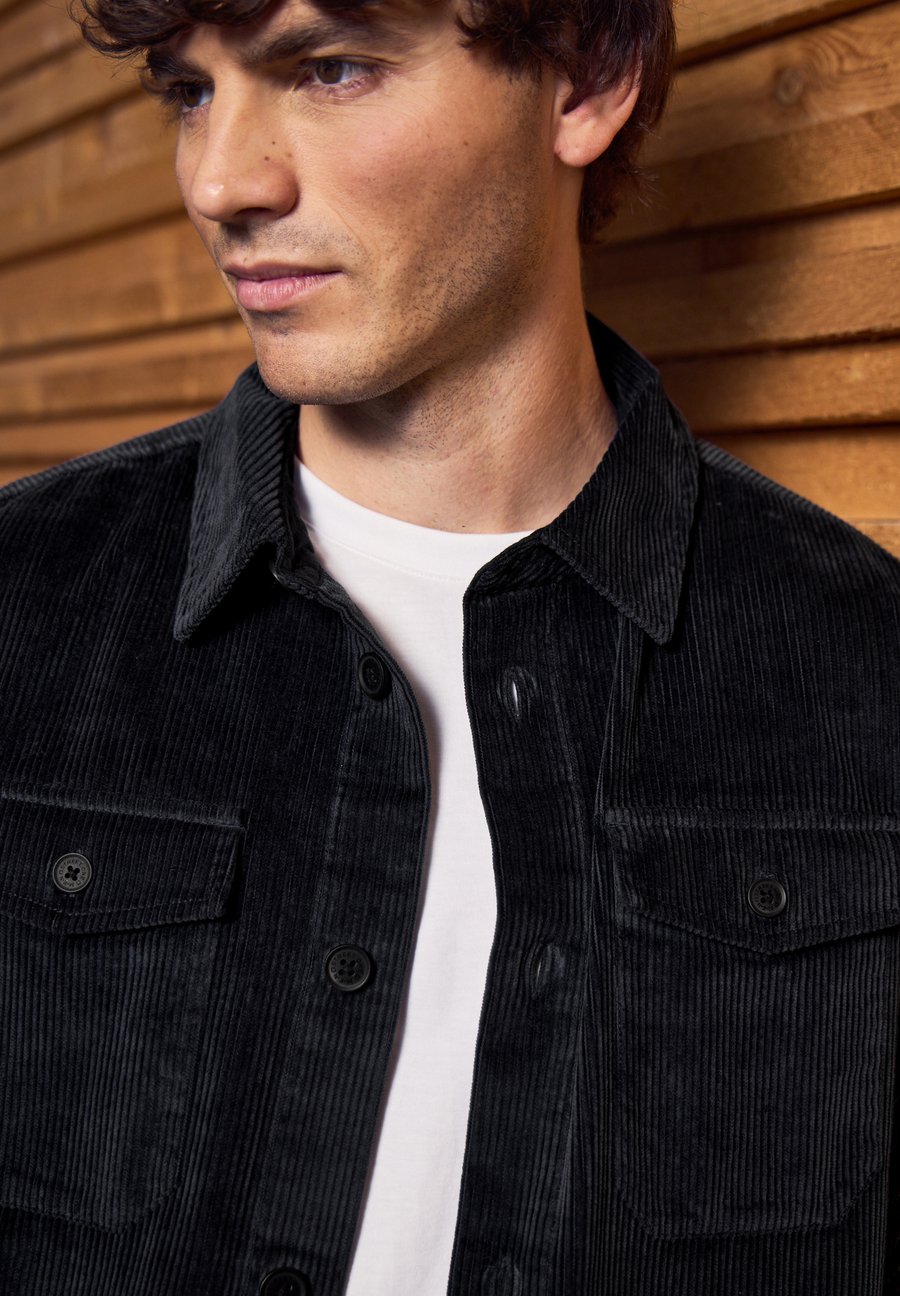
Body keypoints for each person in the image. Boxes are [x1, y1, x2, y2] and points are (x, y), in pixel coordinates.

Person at [0, 0, 896, 1292]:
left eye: (328, 69)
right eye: (188, 92)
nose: (219, 183)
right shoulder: (25, 607)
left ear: (585, 79)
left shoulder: (866, 674)